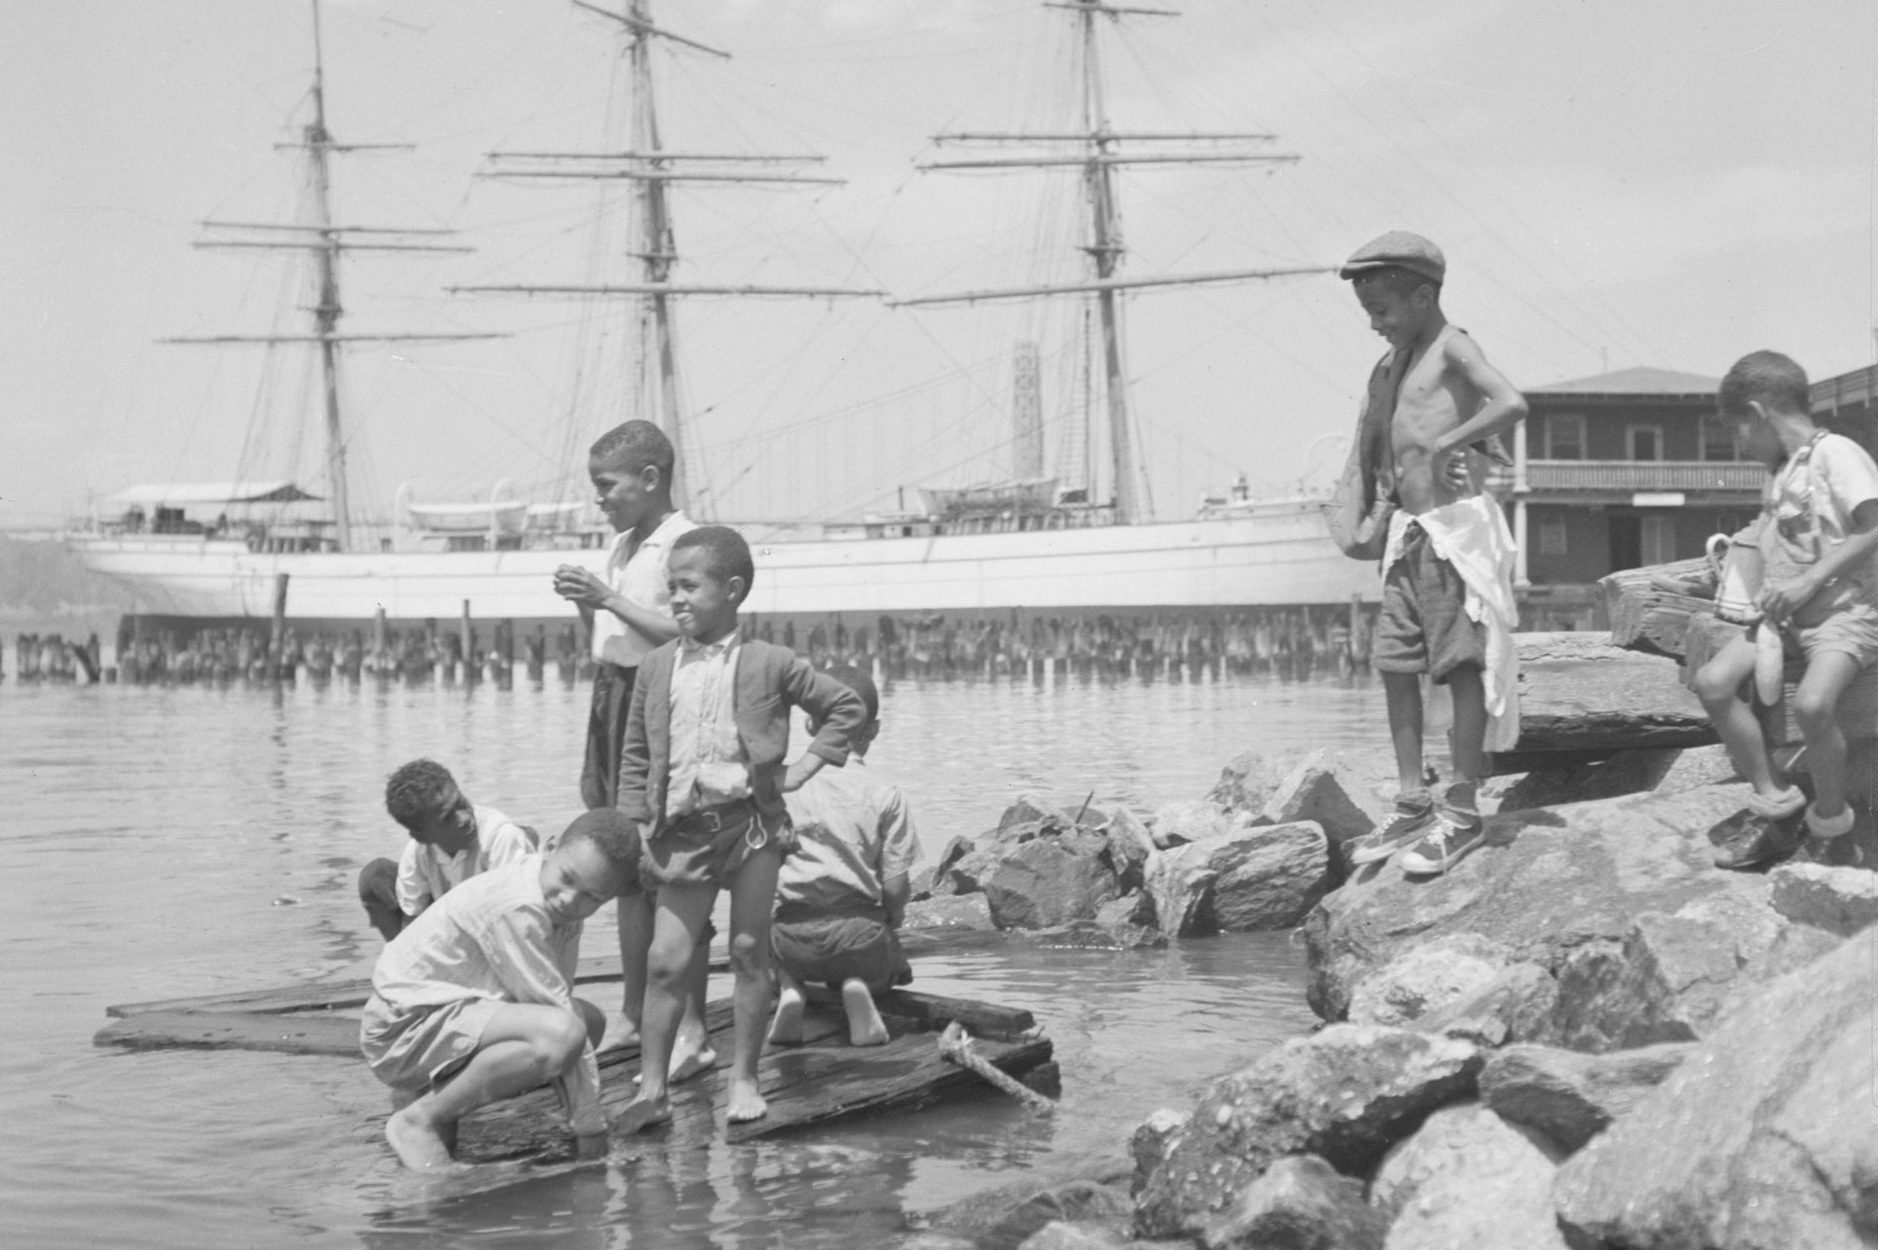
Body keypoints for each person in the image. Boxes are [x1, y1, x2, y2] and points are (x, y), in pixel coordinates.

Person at [614, 525, 866, 1131]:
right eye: (671, 587)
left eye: (689, 586)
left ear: (731, 590)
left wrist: (804, 767)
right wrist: (635, 827)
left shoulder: (769, 662)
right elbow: (636, 756)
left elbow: (845, 707)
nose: (676, 598)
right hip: (683, 833)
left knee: (750, 952)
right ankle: (653, 1088)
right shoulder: (655, 666)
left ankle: (745, 1078)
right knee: (665, 961)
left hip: (752, 829)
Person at [1334, 231, 1529, 877]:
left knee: (1460, 664)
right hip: (1407, 534)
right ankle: (1413, 798)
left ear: (1422, 297)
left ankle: (1464, 807)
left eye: (1382, 310)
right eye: (1368, 313)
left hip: (1453, 533)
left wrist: (1451, 444)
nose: (1375, 324)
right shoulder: (1391, 367)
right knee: (1394, 662)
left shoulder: (1452, 347)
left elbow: (1511, 402)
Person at [550, 420, 711, 1070]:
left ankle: (692, 1025)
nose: (600, 499)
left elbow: (684, 634)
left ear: (649, 479)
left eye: (607, 485)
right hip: (611, 697)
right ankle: (634, 1011)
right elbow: (611, 636)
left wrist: (609, 597)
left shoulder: (685, 544)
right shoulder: (622, 543)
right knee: (624, 862)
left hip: (658, 702)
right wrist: (587, 604)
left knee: (666, 861)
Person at [360, 808, 642, 1172]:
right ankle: (421, 1120)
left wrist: (580, 1112)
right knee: (565, 1034)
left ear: (608, 898)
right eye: (567, 878)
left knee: (589, 1022)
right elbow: (559, 1022)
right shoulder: (521, 906)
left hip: (441, 1011)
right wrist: (591, 1130)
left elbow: (558, 1003)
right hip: (401, 1028)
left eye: (591, 897)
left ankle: (442, 1105)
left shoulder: (558, 907)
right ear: (549, 848)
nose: (570, 900)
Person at [1690, 350, 1878, 869]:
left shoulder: (1837, 453)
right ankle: (1778, 803)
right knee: (1712, 682)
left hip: (1846, 615)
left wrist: (1808, 582)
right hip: (1789, 619)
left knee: (1812, 706)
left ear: (1757, 413)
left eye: (1738, 431)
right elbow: (1773, 542)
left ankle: (1832, 826)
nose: (1741, 445)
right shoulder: (1783, 471)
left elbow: (1875, 524)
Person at [766, 664, 920, 1049]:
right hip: (859, 938)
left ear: (809, 724)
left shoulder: (782, 787)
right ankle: (857, 985)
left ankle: (790, 989)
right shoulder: (885, 793)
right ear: (874, 730)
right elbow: (896, 888)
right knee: (891, 965)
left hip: (791, 939)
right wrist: (892, 917)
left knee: (770, 955)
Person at [357, 759, 538, 941]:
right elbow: (411, 920)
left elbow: (516, 921)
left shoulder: (500, 836)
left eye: (461, 803)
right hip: (455, 931)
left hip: (498, 931)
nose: (465, 818)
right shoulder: (418, 852)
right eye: (447, 819)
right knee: (376, 875)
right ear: (423, 837)